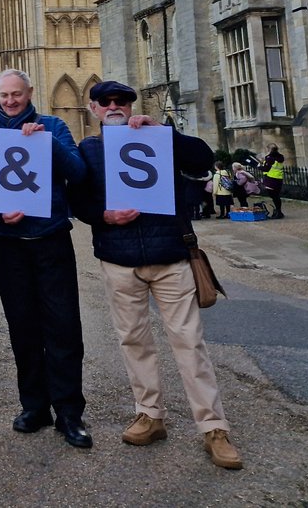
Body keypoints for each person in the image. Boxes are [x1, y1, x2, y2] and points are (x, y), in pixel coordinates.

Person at [73, 80, 243, 470]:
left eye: (121, 101)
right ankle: (150, 415)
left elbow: (202, 160)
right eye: (105, 101)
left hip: (170, 257)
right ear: (93, 109)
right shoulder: (89, 149)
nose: (113, 105)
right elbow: (77, 199)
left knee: (189, 341)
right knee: (133, 341)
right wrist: (102, 215)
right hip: (119, 259)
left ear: (131, 107)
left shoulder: (158, 137)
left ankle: (213, 427)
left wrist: (166, 132)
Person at [0, 69, 91, 448]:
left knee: (63, 326)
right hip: (9, 241)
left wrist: (49, 143)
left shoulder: (53, 125)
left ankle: (69, 413)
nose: (9, 101)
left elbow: (79, 172)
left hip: (50, 237)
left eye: (16, 94)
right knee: (22, 326)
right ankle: (34, 406)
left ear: (30, 92)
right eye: (4, 95)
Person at [260, 143, 286, 219]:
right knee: (276, 196)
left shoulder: (269, 158)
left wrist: (259, 167)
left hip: (271, 179)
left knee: (274, 196)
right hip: (278, 178)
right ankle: (279, 211)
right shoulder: (280, 157)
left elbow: (266, 168)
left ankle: (278, 212)